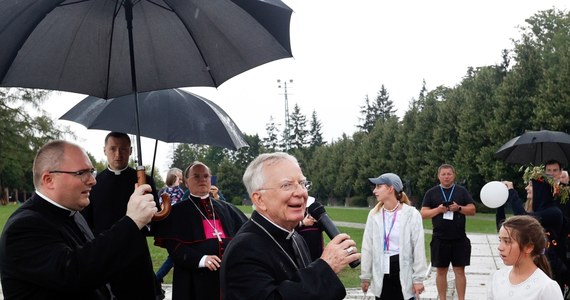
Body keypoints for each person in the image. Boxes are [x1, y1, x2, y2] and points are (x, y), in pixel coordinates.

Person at [0, 140, 158, 299]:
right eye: (81, 173)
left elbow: (97, 271)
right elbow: (75, 274)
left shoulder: (73, 214)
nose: (93, 181)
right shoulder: (23, 227)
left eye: (91, 171)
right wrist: (131, 222)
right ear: (49, 180)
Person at [220, 152, 360, 300]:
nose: (301, 192)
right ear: (259, 199)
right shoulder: (244, 249)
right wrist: (325, 268)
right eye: (286, 185)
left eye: (302, 183)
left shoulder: (296, 237)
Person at [80, 132, 160, 299]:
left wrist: (148, 220)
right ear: (104, 150)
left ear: (131, 151)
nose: (118, 154)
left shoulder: (145, 181)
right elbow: (86, 222)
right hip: (105, 256)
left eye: (123, 149)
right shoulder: (93, 183)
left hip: (135, 256)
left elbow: (155, 218)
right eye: (113, 149)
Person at [153, 161, 248, 300]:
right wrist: (201, 259)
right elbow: (174, 246)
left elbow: (245, 238)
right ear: (186, 182)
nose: (202, 179)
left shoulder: (228, 209)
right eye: (196, 176)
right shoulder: (177, 212)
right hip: (193, 280)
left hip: (228, 279)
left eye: (206, 176)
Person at [361, 173, 427, 300]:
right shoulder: (374, 215)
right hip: (381, 270)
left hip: (402, 270)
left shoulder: (411, 214)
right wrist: (365, 276)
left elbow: (418, 247)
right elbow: (367, 246)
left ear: (391, 188)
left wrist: (418, 279)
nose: (375, 190)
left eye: (379, 186)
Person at [420, 164, 476, 300]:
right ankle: (442, 298)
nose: (446, 177)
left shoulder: (461, 191)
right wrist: (438, 210)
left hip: (459, 238)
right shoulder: (431, 192)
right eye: (443, 174)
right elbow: (423, 213)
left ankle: (461, 298)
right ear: (438, 176)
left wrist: (459, 208)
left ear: (454, 175)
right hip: (439, 238)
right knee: (441, 271)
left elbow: (472, 209)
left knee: (460, 271)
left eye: (449, 174)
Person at [488, 215, 563, 300]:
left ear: (528, 247)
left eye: (507, 241)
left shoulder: (546, 287)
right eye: (500, 240)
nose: (500, 247)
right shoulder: (496, 278)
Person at [155, 168, 185, 284]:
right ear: (173, 177)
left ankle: (158, 278)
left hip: (168, 229)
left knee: (175, 256)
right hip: (174, 229)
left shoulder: (163, 192)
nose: (181, 182)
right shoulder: (176, 192)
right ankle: (157, 278)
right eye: (179, 178)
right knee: (174, 256)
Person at [295, 196, 325, 261]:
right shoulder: (292, 204)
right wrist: (302, 223)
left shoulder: (315, 202)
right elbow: (286, 227)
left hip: (317, 245)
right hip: (299, 245)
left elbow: (323, 226)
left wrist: (319, 220)